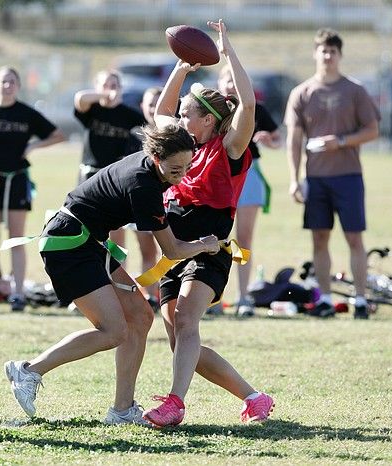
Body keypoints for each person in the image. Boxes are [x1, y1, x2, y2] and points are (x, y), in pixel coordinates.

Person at [4, 122, 220, 425]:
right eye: (175, 169)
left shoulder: (153, 168)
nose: (182, 174)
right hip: (67, 245)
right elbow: (171, 250)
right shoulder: (144, 184)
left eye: (187, 166)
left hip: (89, 241)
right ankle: (28, 371)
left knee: (141, 318)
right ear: (157, 158)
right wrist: (205, 244)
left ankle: (122, 410)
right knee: (113, 330)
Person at [142, 20, 274, 428]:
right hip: (173, 252)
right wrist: (182, 68)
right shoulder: (182, 146)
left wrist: (226, 47)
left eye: (189, 115)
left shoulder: (230, 148)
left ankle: (176, 403)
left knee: (186, 322)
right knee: (182, 340)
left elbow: (247, 107)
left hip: (209, 248)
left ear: (210, 120)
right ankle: (255, 398)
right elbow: (162, 112)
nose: (180, 120)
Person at [284, 28, 379, 319]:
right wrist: (294, 178)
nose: (328, 56)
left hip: (348, 176)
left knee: (354, 238)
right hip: (316, 179)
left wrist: (339, 141)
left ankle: (360, 300)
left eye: (333, 52)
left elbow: (372, 130)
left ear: (340, 56)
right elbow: (294, 140)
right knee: (319, 239)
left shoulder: (355, 90)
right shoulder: (302, 93)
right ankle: (324, 298)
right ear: (316, 53)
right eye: (323, 51)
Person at [0, 66, 65, 312]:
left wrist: (32, 147)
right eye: (3, 81)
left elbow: (57, 135)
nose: (7, 86)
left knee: (16, 238)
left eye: (12, 82)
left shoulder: (26, 114)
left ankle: (18, 293)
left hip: (17, 179)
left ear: (18, 86)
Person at [217, 66, 281, 317]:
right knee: (217, 238)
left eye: (235, 81)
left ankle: (243, 296)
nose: (231, 85)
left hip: (249, 175)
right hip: (219, 177)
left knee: (243, 239)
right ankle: (214, 298)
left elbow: (277, 138)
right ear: (218, 83)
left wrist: (269, 139)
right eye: (226, 80)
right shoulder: (213, 109)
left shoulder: (255, 108)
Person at [74, 70, 147, 251]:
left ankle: (117, 275)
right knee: (85, 227)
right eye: (104, 85)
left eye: (114, 85)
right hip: (89, 175)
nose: (109, 90)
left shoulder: (130, 116)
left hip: (114, 179)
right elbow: (80, 98)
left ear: (121, 89)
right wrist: (105, 94)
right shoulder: (93, 110)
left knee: (115, 231)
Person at [125, 87, 163, 309]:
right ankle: (149, 294)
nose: (153, 109)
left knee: (168, 248)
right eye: (150, 104)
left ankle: (165, 291)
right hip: (141, 200)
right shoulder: (134, 134)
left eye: (158, 103)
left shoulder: (174, 133)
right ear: (142, 107)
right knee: (147, 250)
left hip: (167, 200)